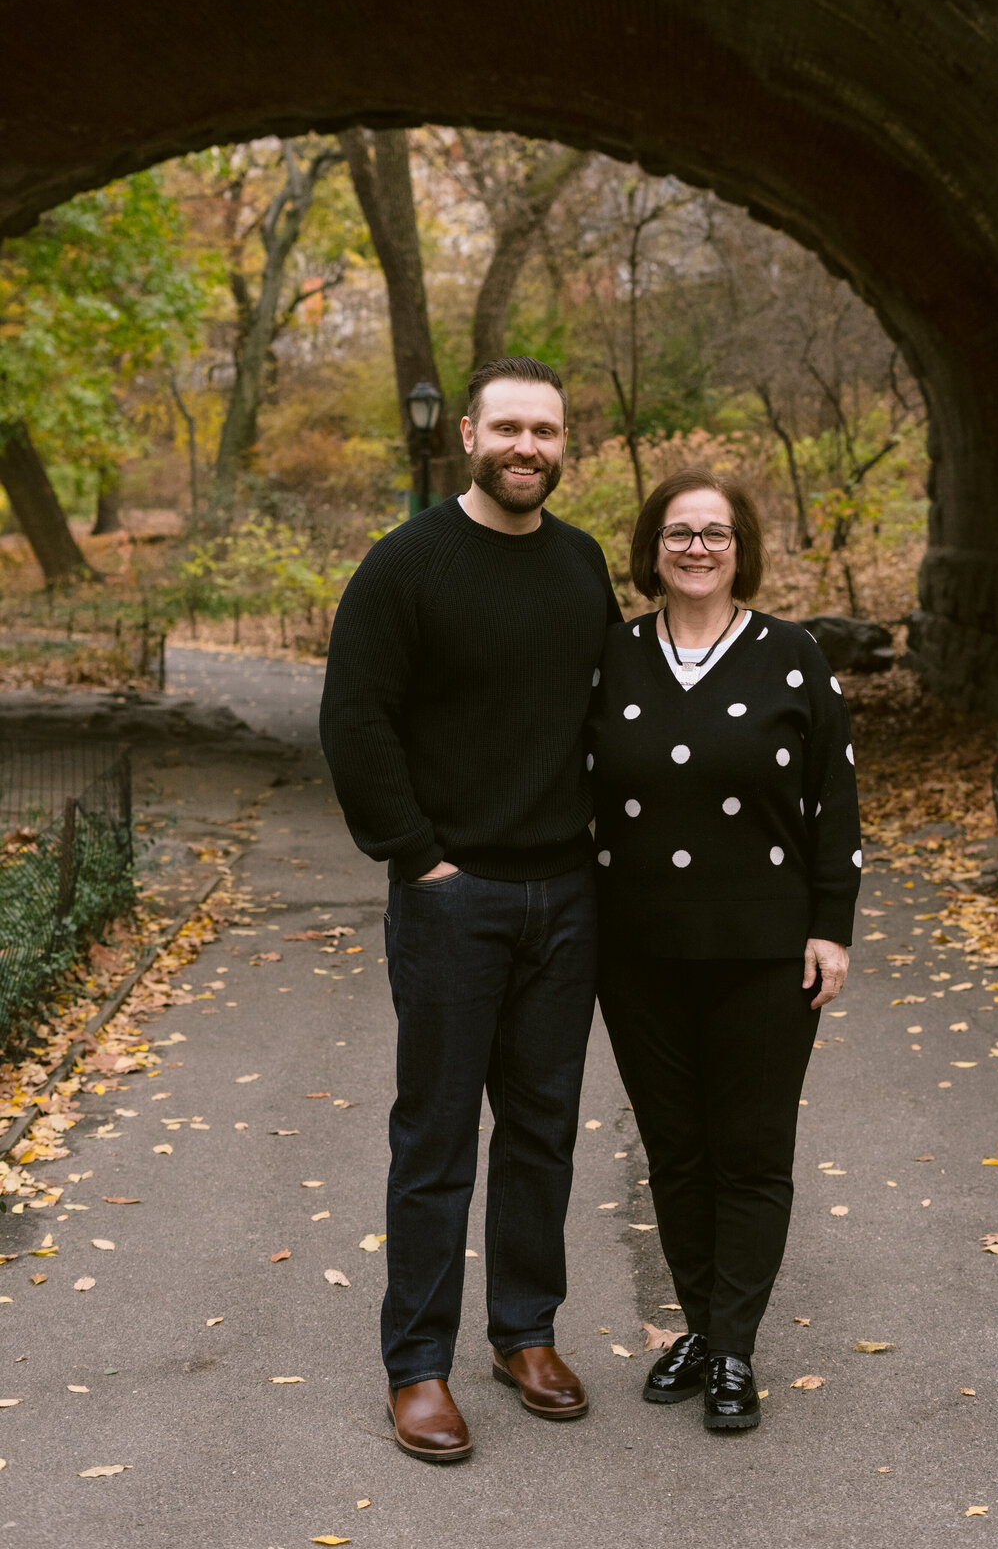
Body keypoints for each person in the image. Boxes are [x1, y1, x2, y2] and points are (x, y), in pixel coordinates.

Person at [320, 356, 621, 1463]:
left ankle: (525, 1334)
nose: (527, 447)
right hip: (454, 900)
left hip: (566, 894)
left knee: (543, 1129)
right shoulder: (406, 567)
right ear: (470, 438)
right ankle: (418, 1366)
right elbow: (356, 718)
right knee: (438, 1136)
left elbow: (606, 716)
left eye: (546, 430)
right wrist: (419, 859)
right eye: (509, 428)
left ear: (562, 444)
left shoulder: (582, 565)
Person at [589, 469, 860, 1433]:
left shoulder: (793, 658)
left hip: (765, 953)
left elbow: (837, 805)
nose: (696, 547)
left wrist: (832, 925)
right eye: (677, 532)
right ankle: (701, 1325)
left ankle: (735, 1347)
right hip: (638, 952)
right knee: (677, 1152)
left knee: (749, 1150)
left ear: (741, 546)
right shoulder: (610, 657)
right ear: (650, 548)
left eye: (714, 532)